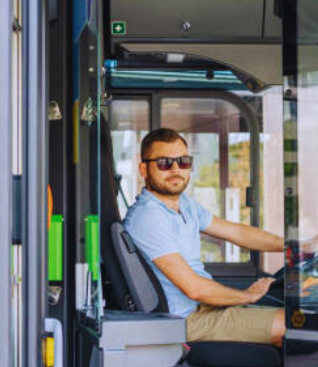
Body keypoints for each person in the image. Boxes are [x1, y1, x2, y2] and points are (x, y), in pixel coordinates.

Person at [123, 128, 286, 346]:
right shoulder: (148, 216)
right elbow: (194, 288)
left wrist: (291, 247)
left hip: (204, 307)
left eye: (183, 162)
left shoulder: (184, 205)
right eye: (164, 163)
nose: (175, 169)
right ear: (144, 169)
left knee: (298, 315)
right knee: (293, 326)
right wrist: (248, 296)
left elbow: (236, 232)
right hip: (186, 320)